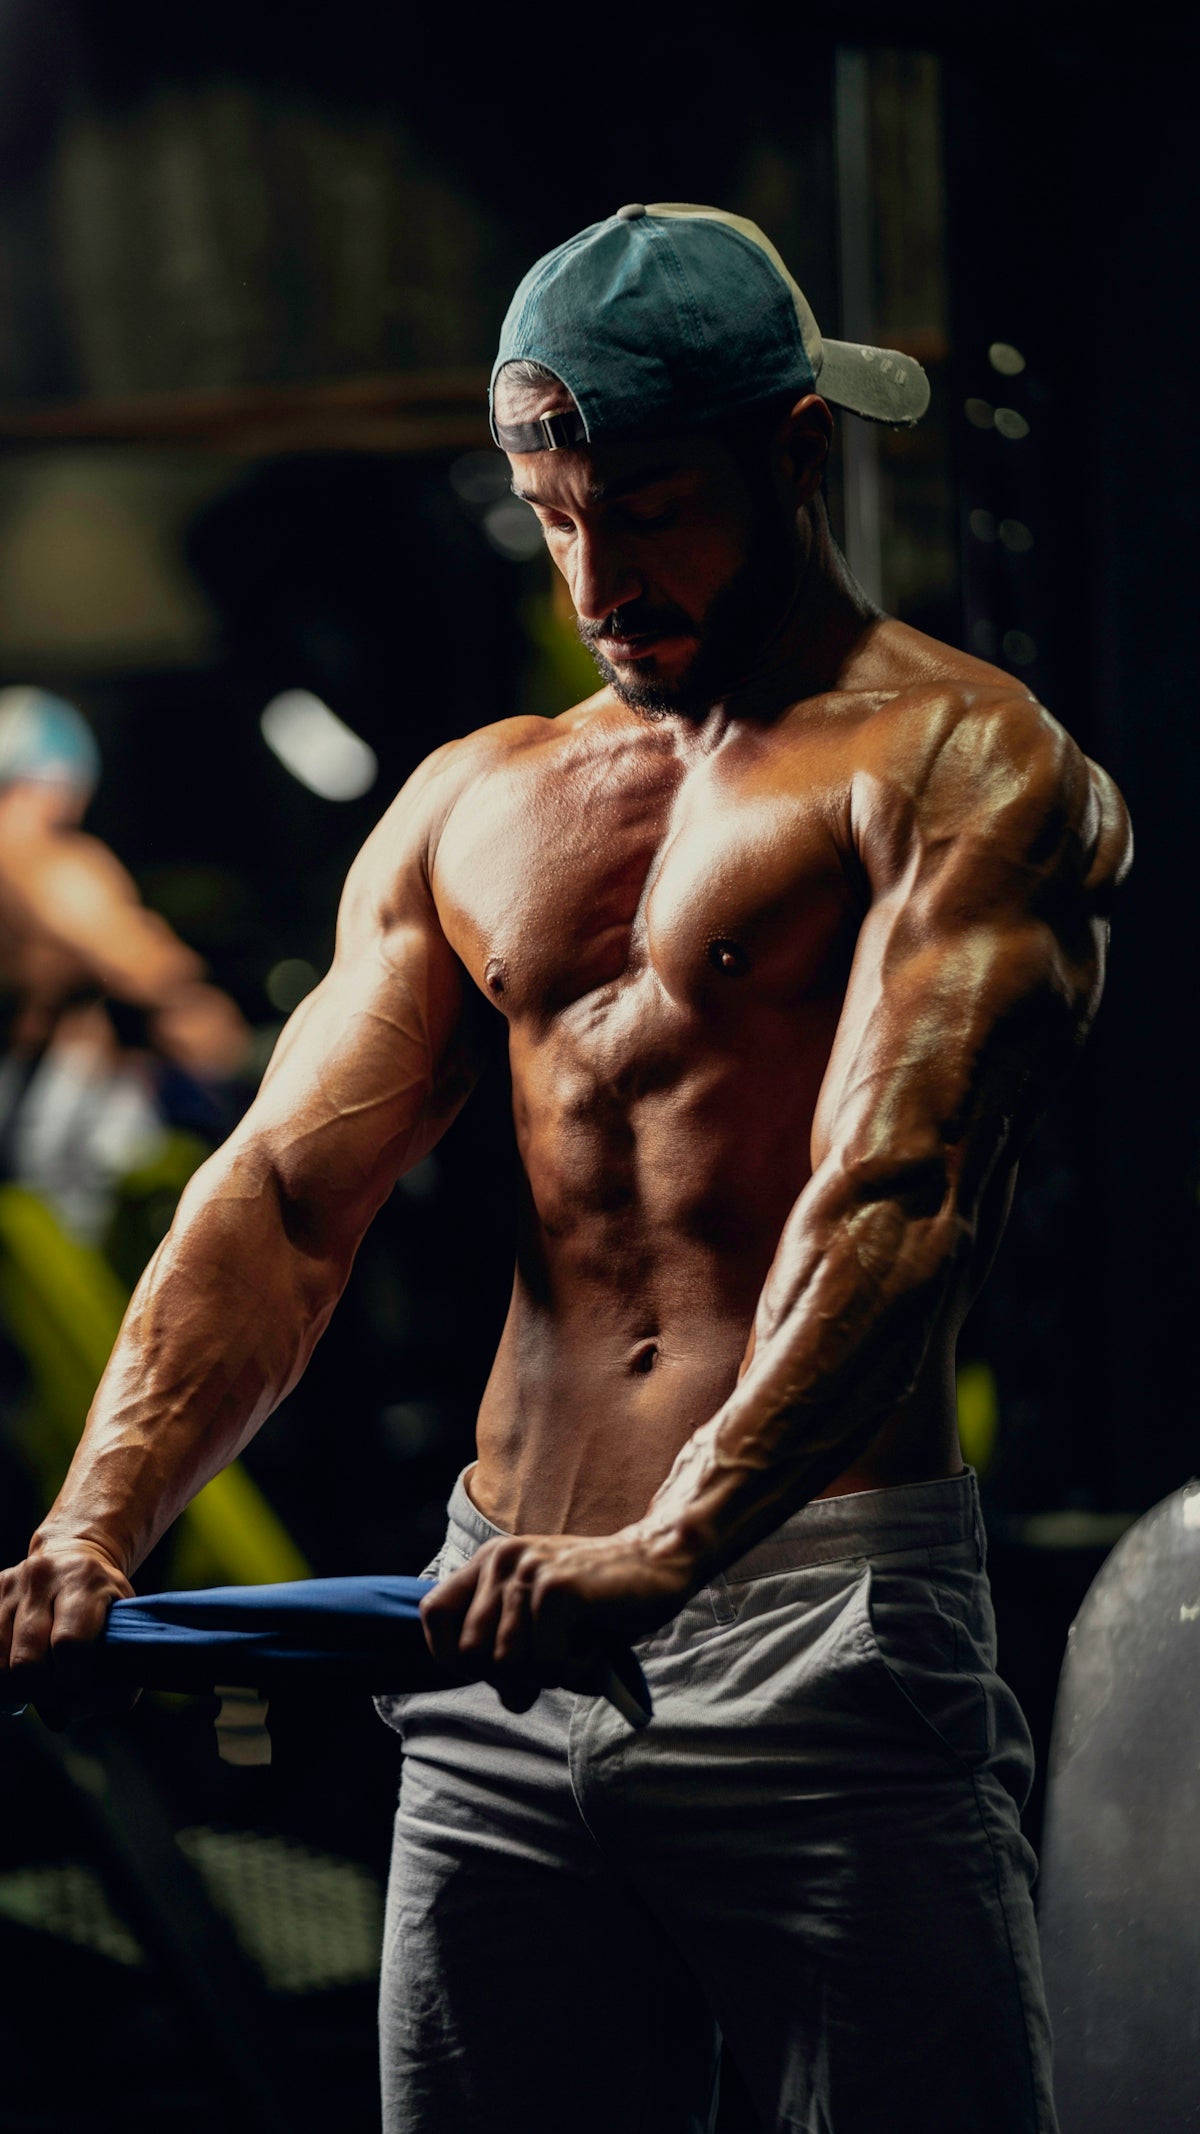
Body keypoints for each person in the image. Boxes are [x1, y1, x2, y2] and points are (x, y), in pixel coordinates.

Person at [0, 208, 1130, 2132]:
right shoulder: (480, 795)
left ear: (794, 452)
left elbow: (898, 1189)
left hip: (810, 1627)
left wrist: (677, 1538)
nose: (601, 572)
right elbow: (282, 1195)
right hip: (491, 1633)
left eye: (655, 506)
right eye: (554, 511)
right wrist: (99, 1523)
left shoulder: (958, 763)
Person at [0, 686, 250, 1232]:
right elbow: (134, 962)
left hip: (22, 1085)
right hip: (63, 1098)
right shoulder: (49, 860)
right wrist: (178, 974)